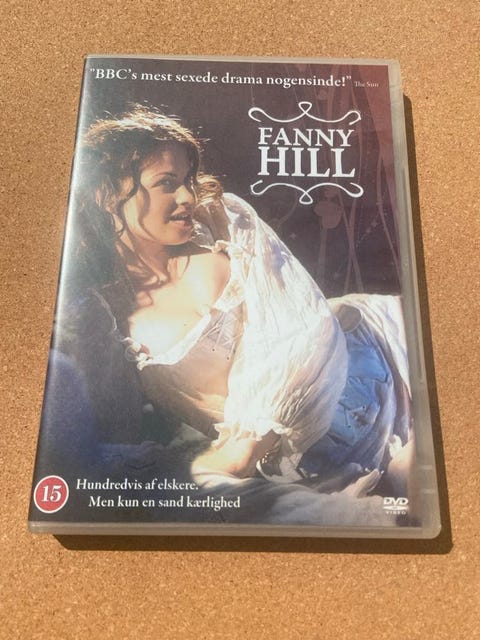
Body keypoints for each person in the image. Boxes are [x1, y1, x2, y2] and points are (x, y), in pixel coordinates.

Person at [61, 105, 412, 499]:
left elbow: (305, 331)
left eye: (187, 179)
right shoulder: (103, 318)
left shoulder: (222, 222)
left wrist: (248, 446)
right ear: (106, 195)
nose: (188, 195)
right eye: (167, 183)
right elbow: (113, 431)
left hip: (379, 354)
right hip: (316, 458)